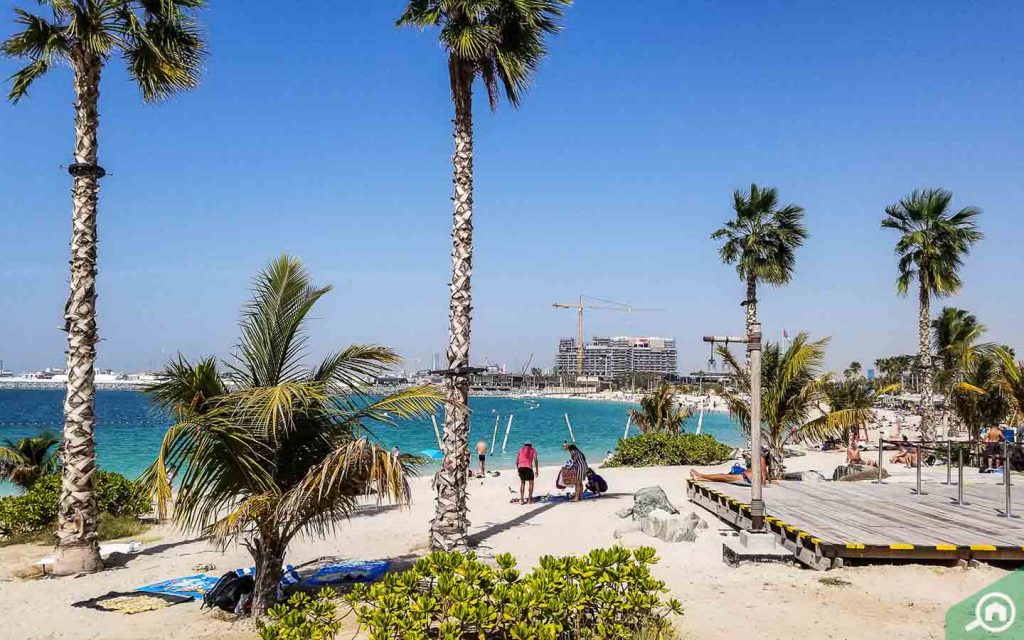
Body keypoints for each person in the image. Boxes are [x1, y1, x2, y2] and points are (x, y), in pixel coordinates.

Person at [689, 452, 767, 487]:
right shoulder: (758, 456)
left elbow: (763, 472)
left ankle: (700, 476)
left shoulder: (761, 457)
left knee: (723, 476)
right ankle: (701, 477)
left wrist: (763, 484)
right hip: (747, 477)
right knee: (723, 477)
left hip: (747, 478)